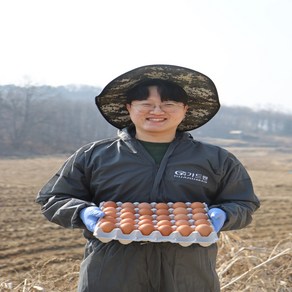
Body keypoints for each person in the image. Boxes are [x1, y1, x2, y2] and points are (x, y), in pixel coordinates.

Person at [36, 64, 260, 292]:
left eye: (168, 104)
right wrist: (82, 212)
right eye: (146, 104)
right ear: (129, 108)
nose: (157, 111)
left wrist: (225, 214)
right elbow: (54, 198)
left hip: (189, 276)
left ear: (185, 109)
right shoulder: (95, 155)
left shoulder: (216, 159)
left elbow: (243, 202)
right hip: (111, 275)